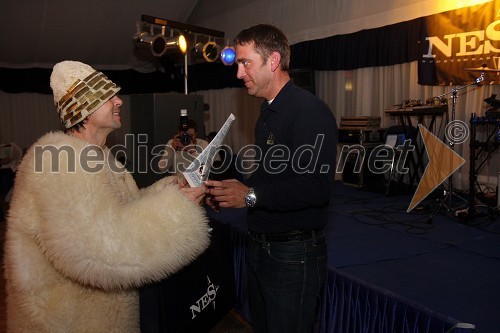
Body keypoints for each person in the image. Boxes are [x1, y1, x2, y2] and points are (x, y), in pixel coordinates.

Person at [3, 60, 211, 333]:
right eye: (108, 96)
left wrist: (172, 189)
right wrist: (178, 211)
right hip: (66, 321)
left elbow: (123, 210)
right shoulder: (62, 161)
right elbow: (102, 251)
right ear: (85, 111)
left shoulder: (97, 155)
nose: (119, 101)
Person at [205, 24, 338, 333]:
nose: (238, 73)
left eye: (245, 62)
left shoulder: (309, 112)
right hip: (262, 249)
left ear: (273, 61)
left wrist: (249, 196)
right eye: (238, 63)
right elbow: (270, 179)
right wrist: (228, 188)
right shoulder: (267, 112)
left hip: (293, 257)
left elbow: (315, 188)